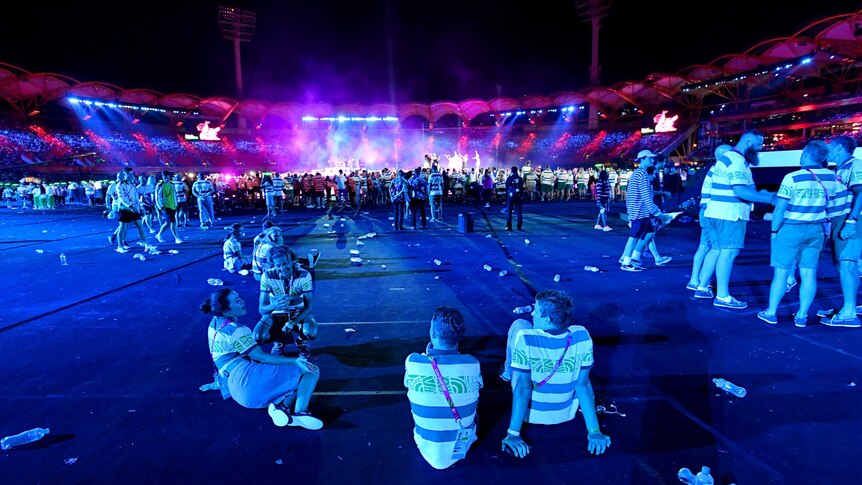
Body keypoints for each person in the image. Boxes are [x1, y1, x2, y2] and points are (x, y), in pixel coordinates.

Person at [499, 289, 610, 458]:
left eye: (536, 310)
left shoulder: (525, 337)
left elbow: (523, 388)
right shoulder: (582, 335)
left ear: (548, 319)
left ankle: (507, 373)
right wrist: (594, 431)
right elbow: (583, 385)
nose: (533, 313)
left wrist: (513, 434)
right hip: (565, 413)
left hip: (530, 414)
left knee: (519, 323)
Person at [201, 289, 323, 429]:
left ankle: (283, 407)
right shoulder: (237, 330)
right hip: (248, 380)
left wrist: (218, 383)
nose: (242, 301)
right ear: (226, 312)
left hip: (236, 391)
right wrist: (295, 360)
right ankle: (301, 411)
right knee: (310, 370)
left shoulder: (214, 323)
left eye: (239, 297)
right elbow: (261, 357)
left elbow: (218, 357)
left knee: (291, 380)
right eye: (236, 301)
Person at [757, 141, 836, 327]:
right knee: (809, 273)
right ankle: (801, 316)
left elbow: (779, 209)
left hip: (791, 228)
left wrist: (774, 231)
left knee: (781, 272)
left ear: (806, 154)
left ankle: (771, 312)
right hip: (816, 228)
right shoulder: (831, 177)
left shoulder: (792, 177)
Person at [700, 130, 775, 309]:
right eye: (758, 145)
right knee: (728, 253)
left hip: (715, 212)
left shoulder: (728, 159)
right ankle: (723, 296)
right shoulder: (737, 160)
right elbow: (740, 191)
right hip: (730, 214)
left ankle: (702, 286)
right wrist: (771, 199)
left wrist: (763, 194)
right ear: (748, 142)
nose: (760, 149)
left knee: (716, 250)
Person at [404, 306, 482, 469]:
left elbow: (407, 383)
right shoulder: (473, 363)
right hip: (462, 443)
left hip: (426, 447)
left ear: (433, 334)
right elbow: (479, 384)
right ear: (459, 337)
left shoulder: (413, 361)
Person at [817, 135, 862, 327]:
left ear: (840, 148)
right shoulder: (840, 168)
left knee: (847, 264)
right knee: (843, 264)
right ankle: (848, 306)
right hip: (839, 219)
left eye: (831, 147)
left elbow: (861, 191)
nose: (828, 151)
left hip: (850, 218)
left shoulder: (856, 164)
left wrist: (852, 220)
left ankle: (849, 312)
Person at [255, 246, 317, 358]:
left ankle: (301, 341)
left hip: (299, 312)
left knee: (311, 332)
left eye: (285, 263)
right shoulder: (267, 276)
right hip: (276, 314)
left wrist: (293, 322)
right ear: (273, 264)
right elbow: (262, 309)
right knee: (258, 336)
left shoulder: (304, 275)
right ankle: (278, 342)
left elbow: (308, 307)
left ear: (292, 260)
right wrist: (275, 305)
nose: (283, 268)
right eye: (278, 265)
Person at [687, 145, 733, 293]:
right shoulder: (719, 171)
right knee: (710, 247)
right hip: (711, 213)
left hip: (706, 211)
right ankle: (697, 281)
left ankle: (698, 279)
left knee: (705, 246)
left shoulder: (713, 170)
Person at [619, 150, 665, 272]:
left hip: (638, 210)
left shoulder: (638, 173)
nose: (652, 160)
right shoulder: (641, 174)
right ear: (643, 159)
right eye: (650, 158)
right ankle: (626, 262)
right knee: (634, 237)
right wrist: (657, 212)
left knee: (649, 233)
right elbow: (646, 196)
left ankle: (634, 258)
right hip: (639, 211)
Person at [505, 166, 524, 231]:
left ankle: (509, 226)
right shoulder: (520, 178)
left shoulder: (509, 178)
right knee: (519, 211)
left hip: (511, 196)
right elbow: (522, 188)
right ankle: (519, 225)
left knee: (509, 211)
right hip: (518, 196)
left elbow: (507, 187)